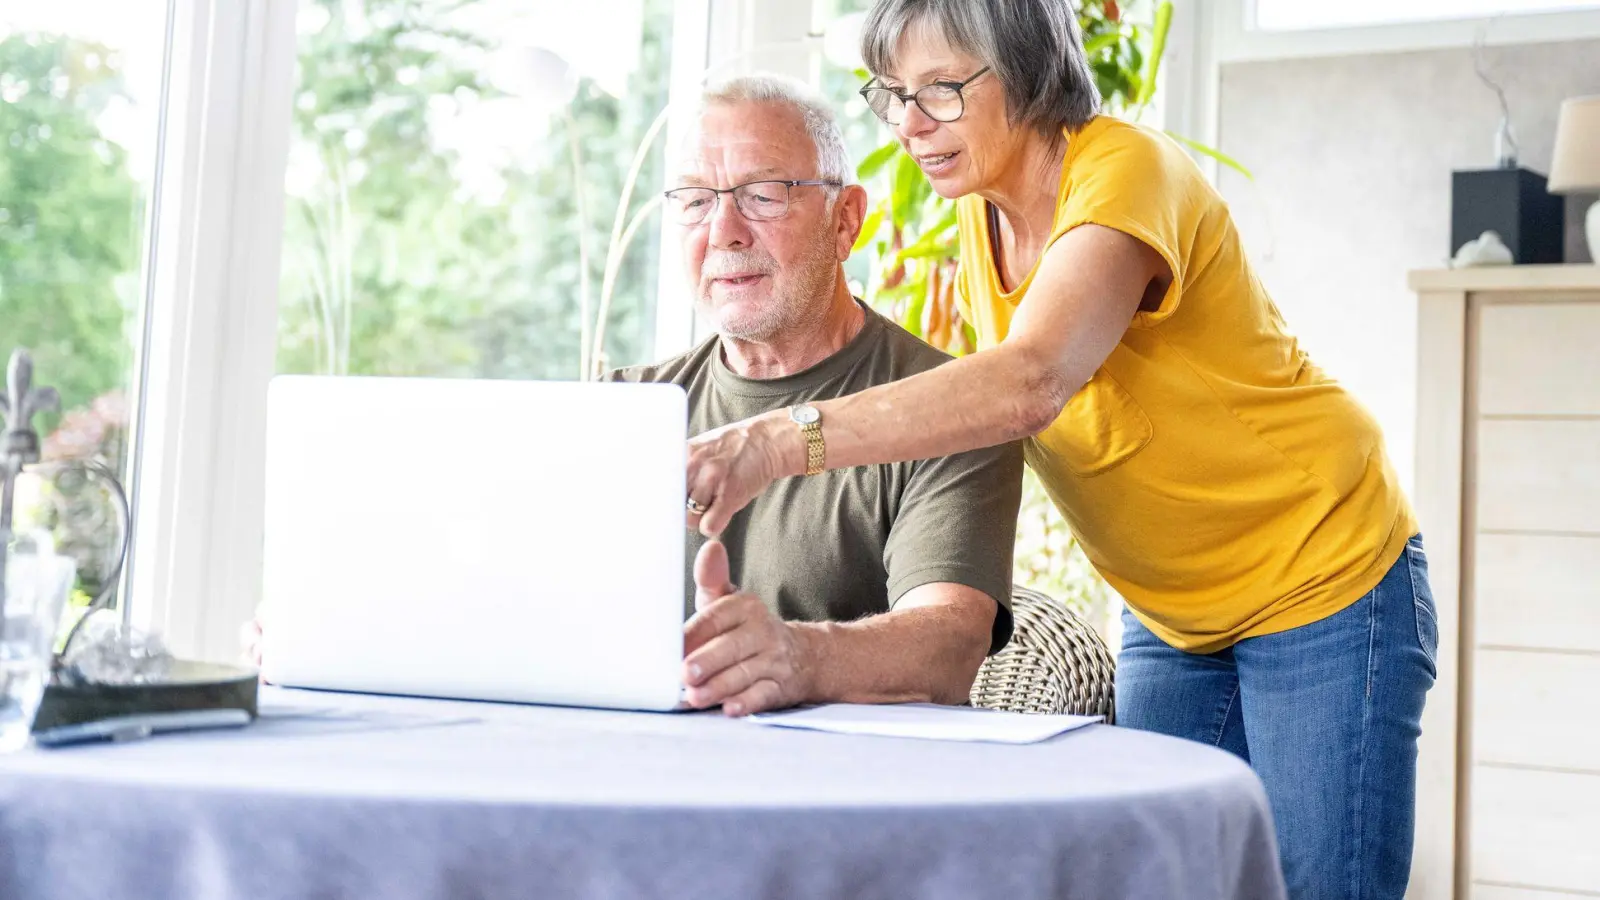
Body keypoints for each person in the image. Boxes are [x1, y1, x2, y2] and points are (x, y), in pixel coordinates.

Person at [681, 2, 1436, 897]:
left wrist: (781, 438)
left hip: (1323, 574)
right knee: (1167, 875)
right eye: (895, 95)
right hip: (1171, 612)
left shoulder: (1125, 170)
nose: (912, 125)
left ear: (1029, 68)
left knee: (1319, 888)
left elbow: (1030, 379)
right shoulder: (982, 215)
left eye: (943, 92)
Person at [246, 72, 1025, 721]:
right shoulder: (620, 413)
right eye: (693, 199)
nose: (723, 230)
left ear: (845, 218)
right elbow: (499, 604)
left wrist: (799, 656)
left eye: (762, 193)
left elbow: (948, 647)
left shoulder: (948, 406)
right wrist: (337, 628)